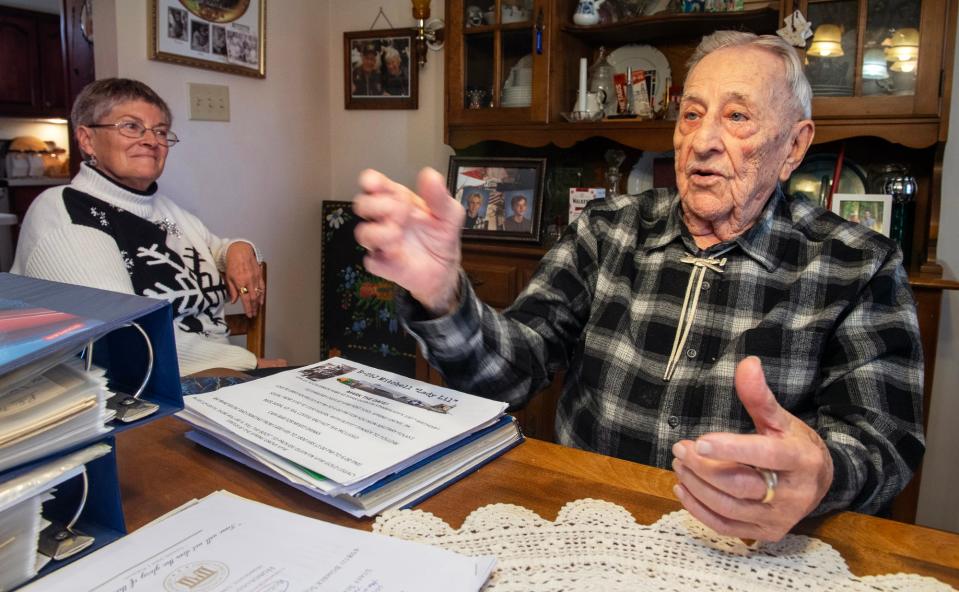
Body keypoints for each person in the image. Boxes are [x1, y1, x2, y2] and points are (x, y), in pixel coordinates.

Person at [352, 31, 924, 543]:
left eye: (737, 118)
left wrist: (822, 470)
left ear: (794, 147)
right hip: (584, 531)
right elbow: (512, 371)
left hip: (750, 548)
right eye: (691, 115)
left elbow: (885, 441)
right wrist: (445, 296)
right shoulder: (607, 230)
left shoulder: (857, 265)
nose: (701, 141)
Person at [12, 78, 287, 376]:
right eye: (131, 126)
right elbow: (124, 331)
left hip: (213, 374)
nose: (151, 140)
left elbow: (212, 246)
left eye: (160, 131)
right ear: (87, 139)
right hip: (133, 391)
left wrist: (238, 247)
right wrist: (242, 362)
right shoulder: (65, 211)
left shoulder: (166, 210)